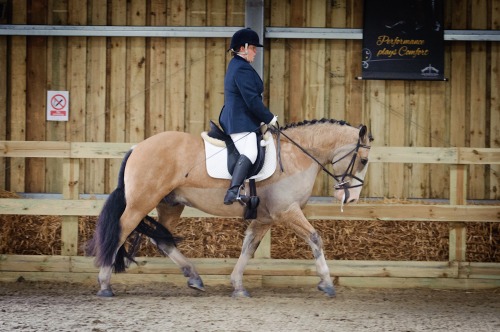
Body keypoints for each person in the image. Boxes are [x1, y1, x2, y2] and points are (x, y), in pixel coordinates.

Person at [219, 28, 277, 205]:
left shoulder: (239, 66)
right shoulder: (241, 68)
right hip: (239, 121)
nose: (256, 51)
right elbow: (252, 100)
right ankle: (233, 191)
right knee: (250, 152)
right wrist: (270, 118)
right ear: (243, 48)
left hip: (242, 118)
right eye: (253, 48)